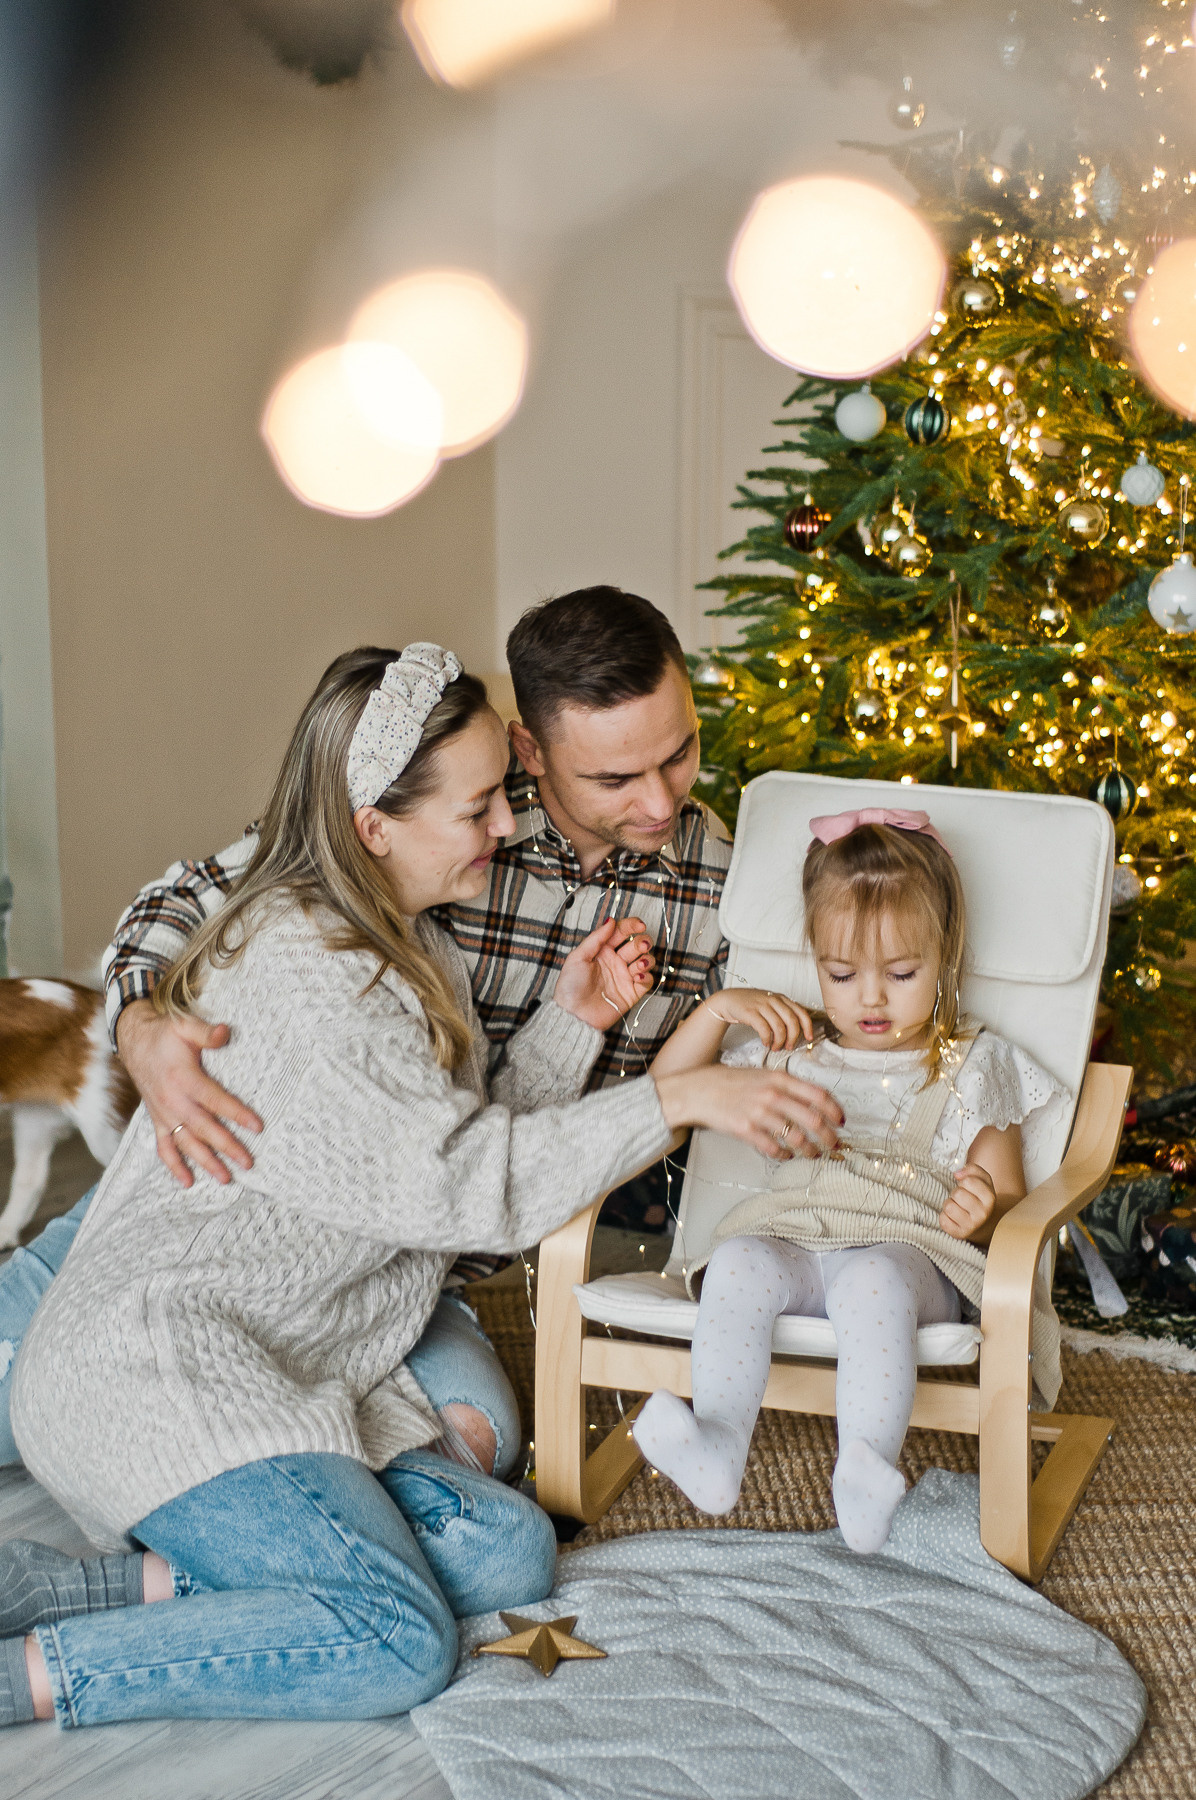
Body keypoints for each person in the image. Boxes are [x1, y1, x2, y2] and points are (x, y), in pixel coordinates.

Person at [0, 645, 839, 1730]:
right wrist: (680, 1100)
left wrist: (570, 1022)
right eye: (481, 806)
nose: (506, 826)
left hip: (296, 1342)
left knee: (504, 1554)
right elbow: (469, 1191)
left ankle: (48, 1591)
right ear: (371, 826)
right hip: (167, 1363)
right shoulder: (320, 976)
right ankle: (33, 1678)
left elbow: (445, 1142)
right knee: (392, 1639)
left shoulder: (399, 941)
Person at [633, 808, 1070, 1555]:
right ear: (815, 960)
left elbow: (1008, 1200)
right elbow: (660, 1098)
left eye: (902, 974)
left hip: (912, 1251)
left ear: (944, 957)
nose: (871, 998)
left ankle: (865, 1463)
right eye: (841, 974)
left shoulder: (973, 1062)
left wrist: (984, 1208)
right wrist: (714, 1013)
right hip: (798, 1238)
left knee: (871, 1279)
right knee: (737, 1261)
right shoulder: (791, 1046)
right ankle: (716, 1446)